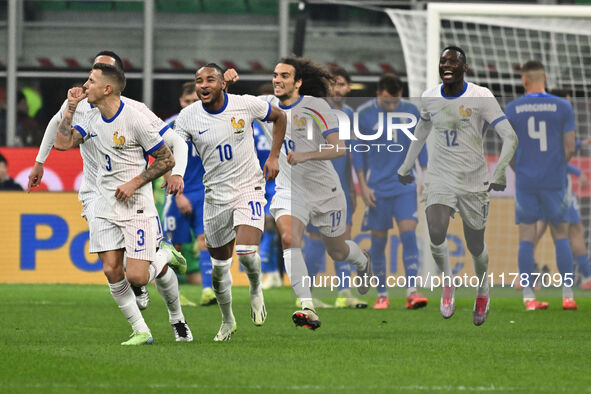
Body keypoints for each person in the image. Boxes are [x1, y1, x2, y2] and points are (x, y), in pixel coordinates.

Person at [27, 51, 190, 312]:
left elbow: (175, 143)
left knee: (136, 266)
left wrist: (178, 172)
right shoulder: (79, 106)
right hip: (94, 190)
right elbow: (56, 128)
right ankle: (139, 321)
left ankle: (154, 290)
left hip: (131, 189)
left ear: (110, 83)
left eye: (99, 72)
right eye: (92, 70)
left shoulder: (135, 112)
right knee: (112, 265)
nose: (88, 81)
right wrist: (39, 162)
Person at [398, 46, 518, 326]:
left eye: (453, 61)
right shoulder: (429, 98)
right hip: (440, 177)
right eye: (443, 61)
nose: (447, 65)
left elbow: (510, 137)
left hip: (474, 180)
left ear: (465, 68)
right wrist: (406, 165)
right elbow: (421, 130)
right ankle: (448, 284)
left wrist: (499, 172)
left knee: (475, 244)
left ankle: (483, 289)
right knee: (436, 231)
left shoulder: (481, 97)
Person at [174, 63, 286, 341]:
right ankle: (227, 321)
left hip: (249, 188)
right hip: (215, 197)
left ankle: (256, 288)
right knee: (220, 269)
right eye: (198, 80)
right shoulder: (187, 117)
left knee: (247, 252)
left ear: (223, 83)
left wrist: (274, 157)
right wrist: (175, 174)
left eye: (210, 79)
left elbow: (280, 117)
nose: (203, 85)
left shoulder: (246, 105)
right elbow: (175, 146)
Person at [257, 57, 372, 330]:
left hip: (325, 191)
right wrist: (226, 82)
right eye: (275, 75)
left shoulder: (316, 107)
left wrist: (306, 155)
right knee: (288, 237)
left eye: (285, 76)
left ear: (297, 83)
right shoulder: (264, 105)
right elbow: (231, 104)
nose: (277, 80)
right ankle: (307, 307)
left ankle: (363, 260)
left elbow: (339, 148)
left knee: (338, 251)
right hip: (289, 189)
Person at [505, 60, 578, 311]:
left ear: (524, 80)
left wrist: (521, 169)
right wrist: (556, 167)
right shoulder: (562, 106)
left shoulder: (513, 109)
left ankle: (528, 298)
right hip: (554, 180)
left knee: (526, 237)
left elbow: (509, 150)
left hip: (526, 181)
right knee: (561, 236)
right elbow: (570, 146)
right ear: (544, 78)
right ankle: (568, 296)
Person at [354, 73, 428, 310]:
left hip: (404, 185)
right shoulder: (364, 114)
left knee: (408, 233)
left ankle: (412, 291)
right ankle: (382, 293)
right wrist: (363, 187)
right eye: (387, 102)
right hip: (376, 188)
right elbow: (358, 153)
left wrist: (425, 176)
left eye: (395, 102)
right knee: (378, 241)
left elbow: (419, 145)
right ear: (378, 94)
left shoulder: (411, 111)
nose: (392, 106)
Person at [301, 67, 367, 309]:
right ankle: (306, 293)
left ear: (348, 88)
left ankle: (344, 292)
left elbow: (354, 154)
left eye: (341, 84)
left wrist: (356, 187)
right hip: (314, 186)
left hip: (341, 188)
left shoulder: (350, 115)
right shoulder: (312, 113)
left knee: (342, 237)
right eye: (333, 84)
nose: (337, 89)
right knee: (317, 240)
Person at [163, 81, 217, 306]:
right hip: (178, 192)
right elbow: (164, 162)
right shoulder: (169, 126)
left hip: (203, 192)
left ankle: (208, 290)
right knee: (175, 247)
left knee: (206, 241)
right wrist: (177, 195)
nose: (190, 105)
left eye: (194, 101)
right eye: (187, 101)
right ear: (180, 102)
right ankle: (174, 296)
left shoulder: (211, 123)